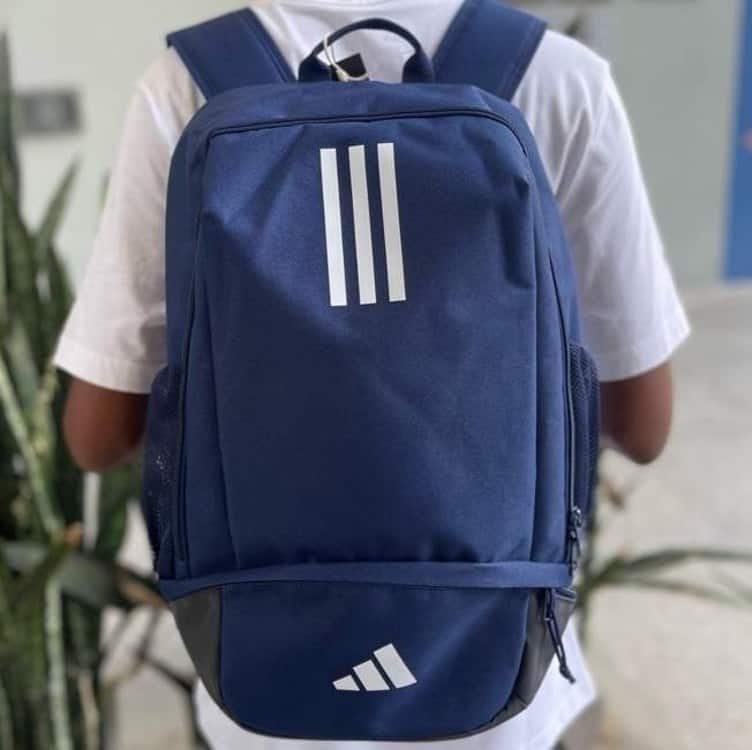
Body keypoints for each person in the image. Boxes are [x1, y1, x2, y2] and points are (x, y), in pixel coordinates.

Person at [55, 1, 690, 748]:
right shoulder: (561, 77)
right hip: (500, 650)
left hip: (258, 666)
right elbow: (642, 426)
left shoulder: (185, 83)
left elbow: (96, 437)